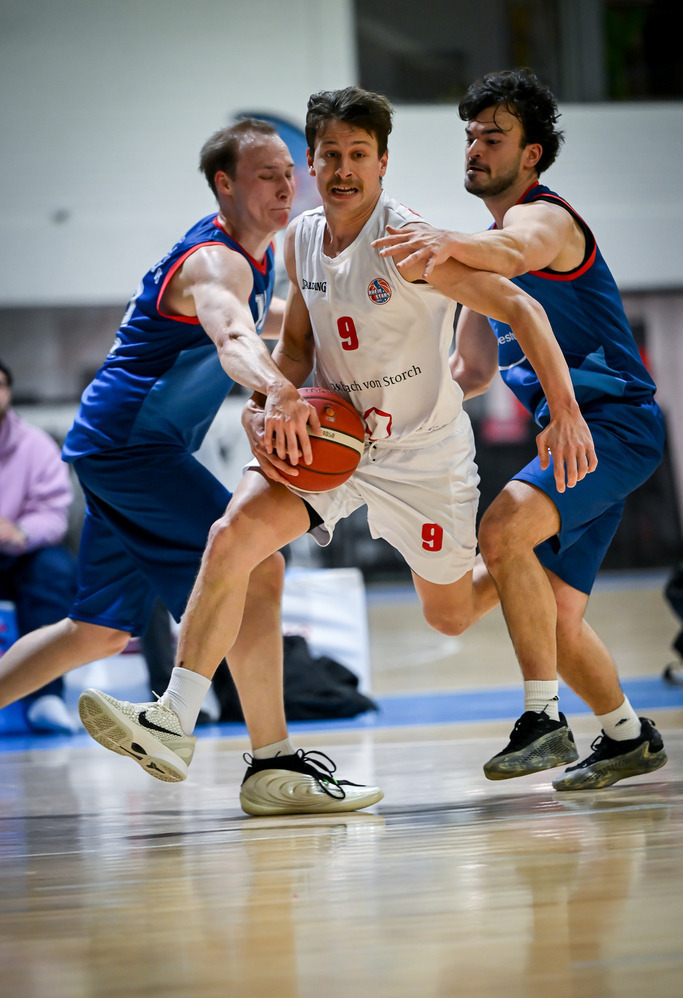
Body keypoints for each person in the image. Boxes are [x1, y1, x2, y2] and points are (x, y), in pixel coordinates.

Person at [78, 85, 597, 815]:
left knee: (447, 615)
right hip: (334, 439)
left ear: (382, 164)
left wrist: (565, 414)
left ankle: (533, 570)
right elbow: (293, 347)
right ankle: (172, 719)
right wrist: (266, 404)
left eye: (359, 155)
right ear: (312, 164)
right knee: (233, 538)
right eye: (330, 156)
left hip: (422, 457)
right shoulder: (299, 240)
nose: (344, 168)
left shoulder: (408, 242)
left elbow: (522, 306)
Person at [0, 118, 382, 815]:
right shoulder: (216, 263)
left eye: (289, 173)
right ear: (224, 184)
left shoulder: (256, 259)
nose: (285, 185)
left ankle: (261, 758)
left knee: (98, 630)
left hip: (122, 446)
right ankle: (272, 762)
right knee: (256, 559)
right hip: (130, 445)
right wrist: (276, 389)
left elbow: (259, 325)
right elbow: (232, 333)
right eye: (267, 175)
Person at [374, 68, 668, 790]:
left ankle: (542, 720)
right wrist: (393, 412)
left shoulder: (544, 221)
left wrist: (446, 239)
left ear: (530, 154)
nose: (474, 148)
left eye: (492, 137)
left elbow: (512, 252)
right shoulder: (483, 256)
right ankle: (628, 737)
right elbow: (469, 372)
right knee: (542, 617)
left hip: (611, 428)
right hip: (572, 442)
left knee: (503, 528)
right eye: (469, 135)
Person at [0, 358, 78, 733]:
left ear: (9, 392)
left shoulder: (36, 446)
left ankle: (45, 696)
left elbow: (53, 513)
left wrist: (20, 532)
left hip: (21, 553)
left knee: (55, 569)